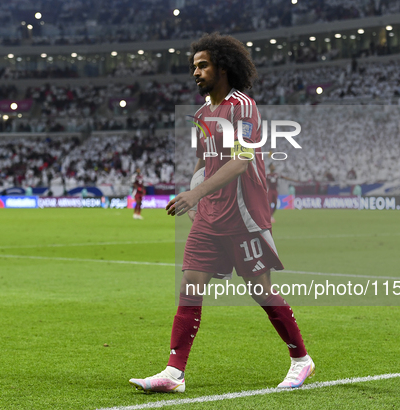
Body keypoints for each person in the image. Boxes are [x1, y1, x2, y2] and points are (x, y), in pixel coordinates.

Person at [129, 32, 314, 394]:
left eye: (203, 65)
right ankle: (174, 372)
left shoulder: (243, 106)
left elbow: (242, 161)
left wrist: (194, 192)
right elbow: (204, 159)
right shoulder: (200, 114)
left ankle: (300, 359)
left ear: (223, 68)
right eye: (193, 67)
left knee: (260, 289)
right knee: (189, 286)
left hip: (244, 214)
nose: (195, 72)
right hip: (211, 214)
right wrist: (196, 194)